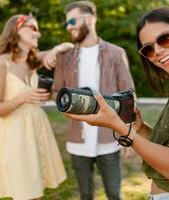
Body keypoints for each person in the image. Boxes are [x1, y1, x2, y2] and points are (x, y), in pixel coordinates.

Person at [65, 6, 169, 200]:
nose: (158, 51)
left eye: (164, 39)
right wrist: (140, 128)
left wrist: (120, 128)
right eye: (149, 48)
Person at [49, 1, 134, 199]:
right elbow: (56, 92)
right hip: (77, 139)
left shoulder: (116, 53)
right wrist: (66, 103)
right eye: (66, 23)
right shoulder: (64, 57)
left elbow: (128, 95)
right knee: (85, 195)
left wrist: (128, 134)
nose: (68, 27)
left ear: (90, 19)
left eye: (72, 21)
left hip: (109, 140)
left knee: (114, 193)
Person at [0, 14, 73, 200]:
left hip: (37, 127)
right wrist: (22, 98)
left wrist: (56, 49)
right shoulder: (0, 64)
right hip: (15, 134)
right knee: (25, 191)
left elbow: (70, 47)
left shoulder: (32, 60)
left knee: (35, 191)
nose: (38, 33)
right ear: (16, 30)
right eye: (33, 28)